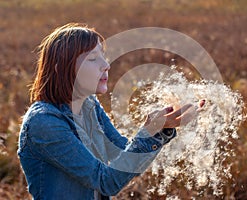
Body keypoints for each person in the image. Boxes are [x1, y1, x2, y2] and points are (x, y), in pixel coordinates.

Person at [17, 23, 204, 200]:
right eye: (92, 59)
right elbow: (105, 181)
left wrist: (160, 129)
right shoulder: (44, 123)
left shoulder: (89, 105)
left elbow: (121, 153)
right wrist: (148, 132)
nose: (106, 65)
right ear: (61, 69)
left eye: (102, 56)